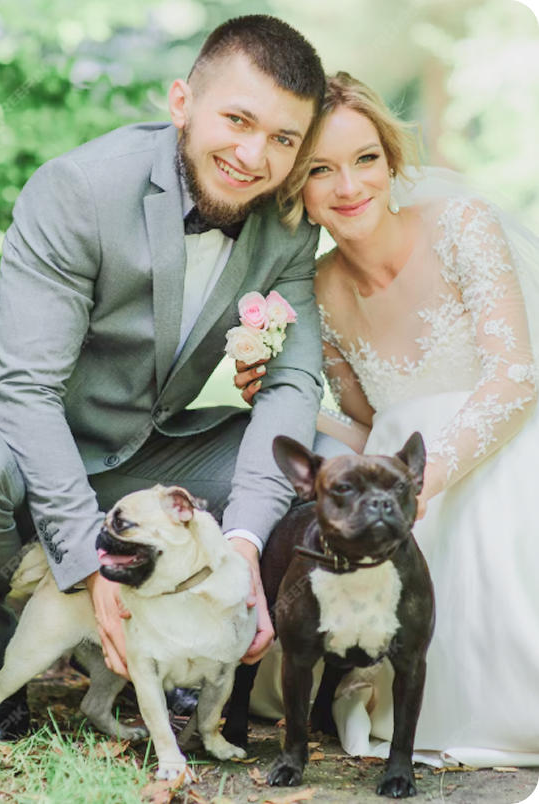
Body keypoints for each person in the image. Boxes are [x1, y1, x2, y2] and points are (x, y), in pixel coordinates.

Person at [0, 16, 352, 739]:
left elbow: (295, 386)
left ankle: (217, 666)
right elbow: (24, 391)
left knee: (335, 472)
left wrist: (242, 543)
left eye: (282, 139)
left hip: (145, 450)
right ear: (182, 102)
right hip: (8, 432)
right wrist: (87, 564)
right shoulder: (78, 189)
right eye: (237, 120)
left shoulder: (290, 226)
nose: (251, 155)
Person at [236, 72, 539, 768]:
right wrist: (285, 403)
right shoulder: (317, 287)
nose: (349, 187)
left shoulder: (464, 226)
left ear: (391, 159)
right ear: (296, 189)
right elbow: (369, 425)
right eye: (321, 170)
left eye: (365, 158)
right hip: (393, 481)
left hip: (495, 449)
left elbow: (516, 376)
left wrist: (427, 478)